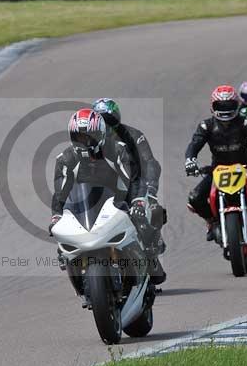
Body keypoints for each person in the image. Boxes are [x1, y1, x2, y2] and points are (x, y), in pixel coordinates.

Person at [50, 108, 166, 285]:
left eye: (89, 136)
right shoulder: (65, 159)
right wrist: (56, 215)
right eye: (79, 137)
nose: (84, 142)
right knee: (62, 234)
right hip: (85, 202)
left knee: (141, 220)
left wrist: (138, 202)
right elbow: (60, 192)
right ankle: (74, 264)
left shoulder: (118, 150)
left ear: (100, 134)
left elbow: (134, 179)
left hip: (119, 196)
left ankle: (149, 259)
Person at [185, 85, 247, 248]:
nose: (225, 110)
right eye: (221, 106)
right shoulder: (206, 126)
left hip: (246, 166)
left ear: (237, 105)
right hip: (218, 170)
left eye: (229, 106)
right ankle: (212, 222)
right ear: (213, 107)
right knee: (195, 198)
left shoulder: (245, 122)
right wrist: (190, 160)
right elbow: (194, 144)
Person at [92, 98, 166, 255]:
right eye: (102, 122)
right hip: (107, 187)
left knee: (152, 211)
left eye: (109, 120)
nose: (106, 125)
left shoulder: (134, 135)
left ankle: (152, 243)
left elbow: (150, 163)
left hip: (136, 184)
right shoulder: (91, 142)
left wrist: (150, 190)